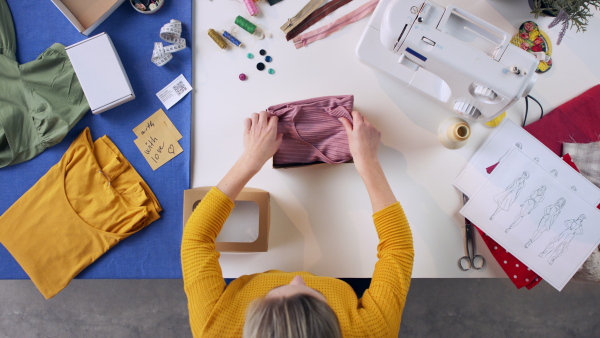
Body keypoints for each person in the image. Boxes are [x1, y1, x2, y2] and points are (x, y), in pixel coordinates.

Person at [181, 110, 414, 337]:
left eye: (273, 292)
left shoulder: (212, 328)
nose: (298, 278)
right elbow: (398, 249)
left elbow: (195, 241)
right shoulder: (372, 332)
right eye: (314, 293)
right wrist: (368, 161)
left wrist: (250, 160)